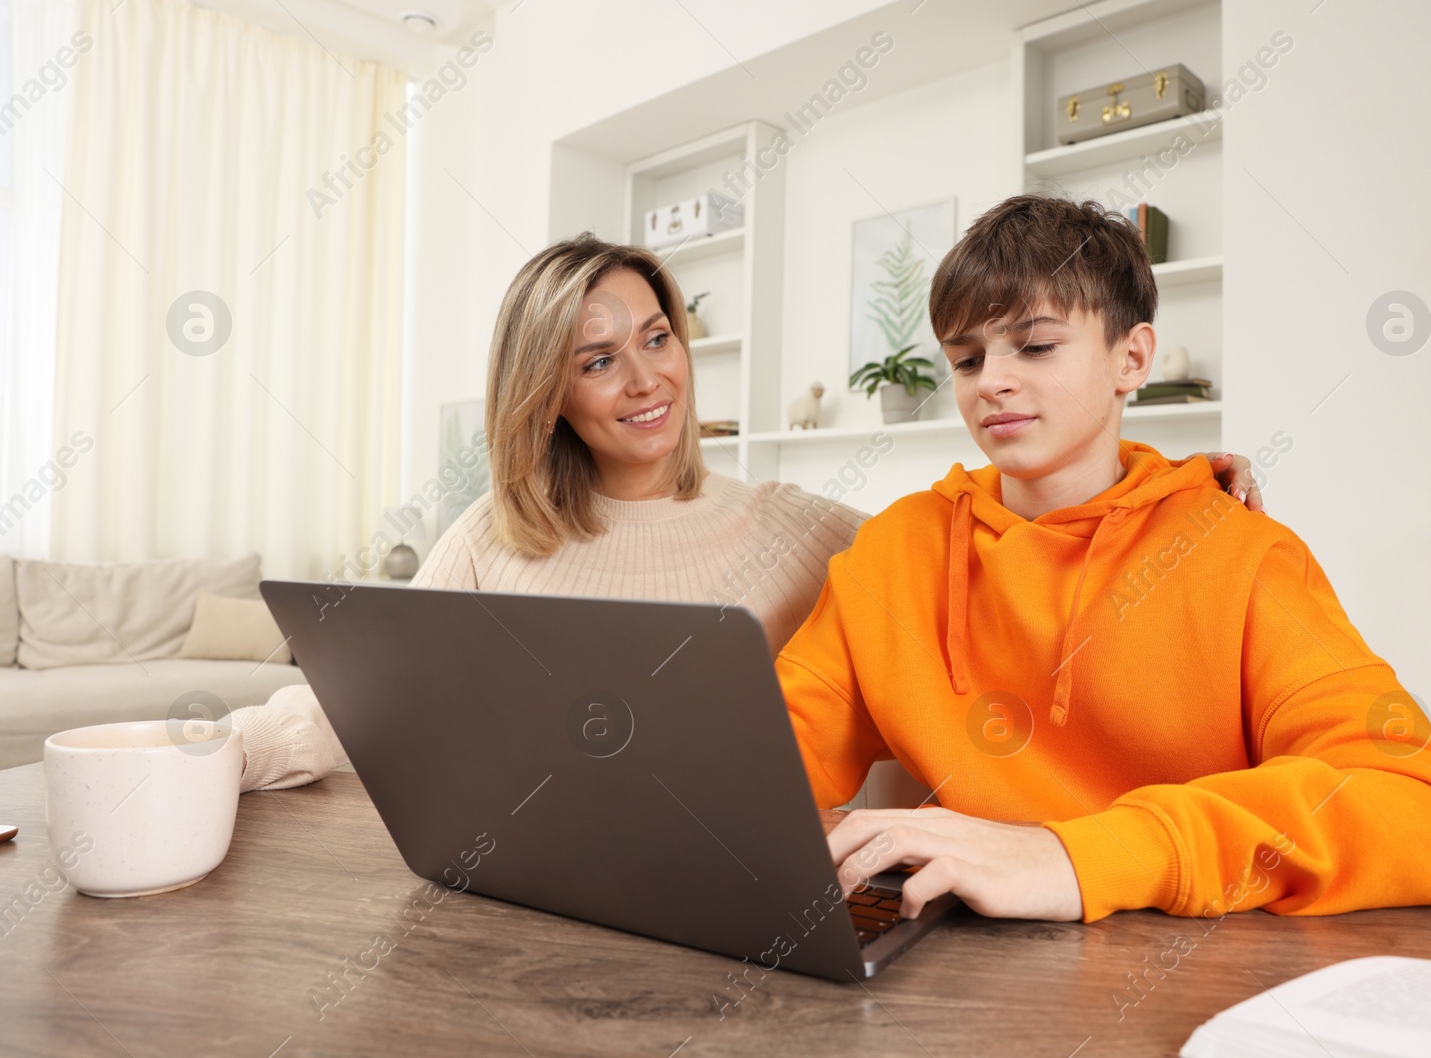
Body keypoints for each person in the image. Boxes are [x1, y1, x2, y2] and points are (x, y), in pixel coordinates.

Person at [232, 232, 1264, 792]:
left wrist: (1160, 490)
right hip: (545, 887)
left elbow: (1002, 570)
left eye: (657, 336)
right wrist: (217, 752)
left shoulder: (799, 528)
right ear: (545, 393)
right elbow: (361, 705)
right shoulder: (492, 539)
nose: (647, 379)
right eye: (597, 359)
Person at [790, 194, 1431, 925]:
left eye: (1034, 346)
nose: (991, 382)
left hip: (1187, 965)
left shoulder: (1242, 553)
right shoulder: (894, 550)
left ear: (1132, 357)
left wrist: (1088, 855)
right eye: (967, 358)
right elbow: (763, 767)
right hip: (956, 964)